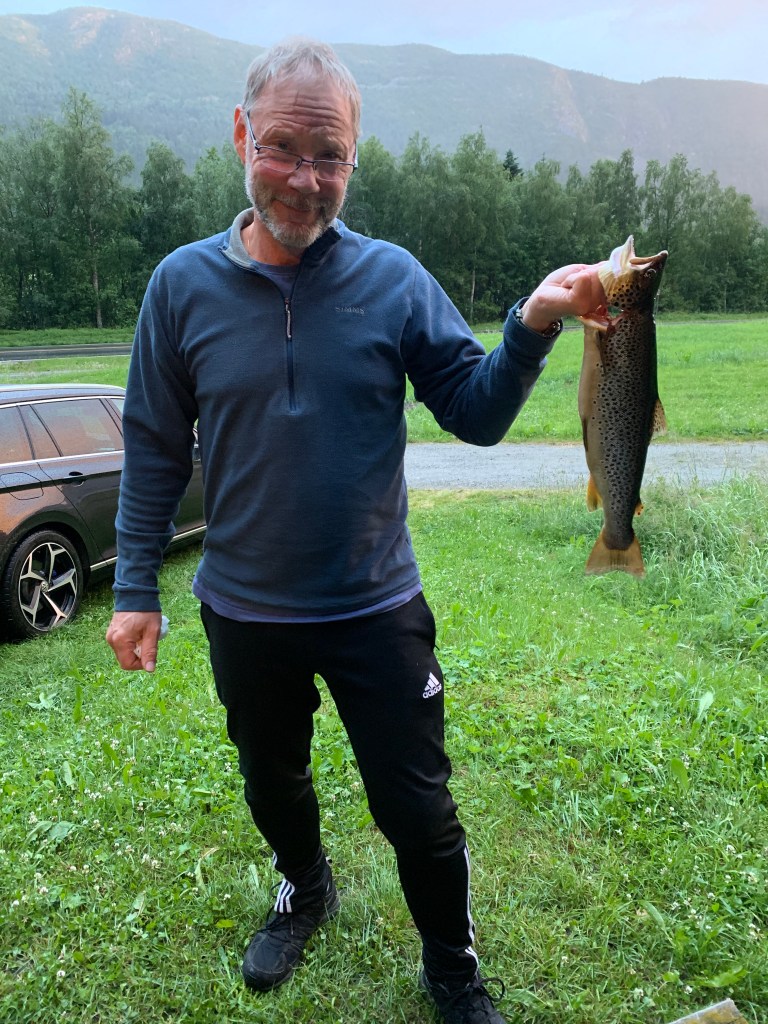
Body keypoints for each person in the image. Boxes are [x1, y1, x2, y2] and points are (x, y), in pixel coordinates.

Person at [106, 38, 605, 1024]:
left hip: (375, 606)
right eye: (283, 148)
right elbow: (155, 446)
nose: (304, 178)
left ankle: (452, 967)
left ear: (353, 159)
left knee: (418, 806)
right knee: (272, 779)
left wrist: (534, 323)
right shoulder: (180, 286)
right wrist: (133, 590)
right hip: (244, 611)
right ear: (242, 136)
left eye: (328, 156)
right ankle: (306, 887)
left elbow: (474, 412)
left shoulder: (394, 279)